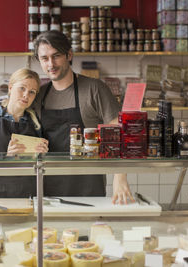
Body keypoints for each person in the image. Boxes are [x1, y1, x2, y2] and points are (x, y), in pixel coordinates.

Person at [32, 30, 134, 204]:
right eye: (44, 58)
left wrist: (120, 176)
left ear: (69, 55)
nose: (51, 64)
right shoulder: (39, 95)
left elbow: (119, 129)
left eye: (56, 56)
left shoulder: (94, 88)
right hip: (47, 188)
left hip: (88, 186)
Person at [0, 68, 49, 198]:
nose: (26, 95)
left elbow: (40, 165)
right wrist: (5, 156)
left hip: (31, 194)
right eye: (22, 88)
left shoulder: (36, 123)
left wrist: (41, 155)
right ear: (10, 88)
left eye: (32, 92)